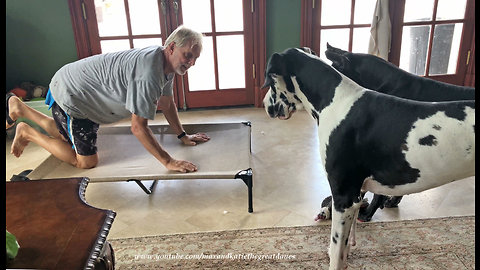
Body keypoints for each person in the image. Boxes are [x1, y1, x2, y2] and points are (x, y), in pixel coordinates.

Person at [6, 25, 210, 173]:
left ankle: (21, 109)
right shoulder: (149, 73)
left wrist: (182, 135)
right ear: (172, 48)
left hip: (82, 91)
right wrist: (168, 161)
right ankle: (28, 132)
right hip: (73, 95)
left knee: (66, 135)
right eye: (188, 55)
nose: (192, 63)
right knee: (85, 162)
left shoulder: (165, 64)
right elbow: (138, 127)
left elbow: (166, 102)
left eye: (195, 58)